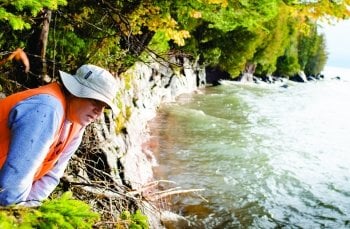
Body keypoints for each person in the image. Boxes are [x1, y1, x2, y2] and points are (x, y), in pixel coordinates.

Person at [0, 64, 118, 206]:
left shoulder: (76, 124)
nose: (98, 113)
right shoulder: (47, 109)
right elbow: (15, 178)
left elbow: (52, 175)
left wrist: (28, 209)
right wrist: (14, 218)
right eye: (95, 102)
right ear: (75, 92)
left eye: (104, 107)